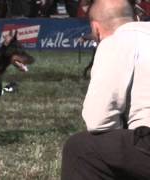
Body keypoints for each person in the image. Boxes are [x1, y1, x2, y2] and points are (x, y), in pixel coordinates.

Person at [61, 0, 150, 179]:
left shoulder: (114, 42)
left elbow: (98, 120)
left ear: (96, 29)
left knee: (79, 148)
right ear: (135, 17)